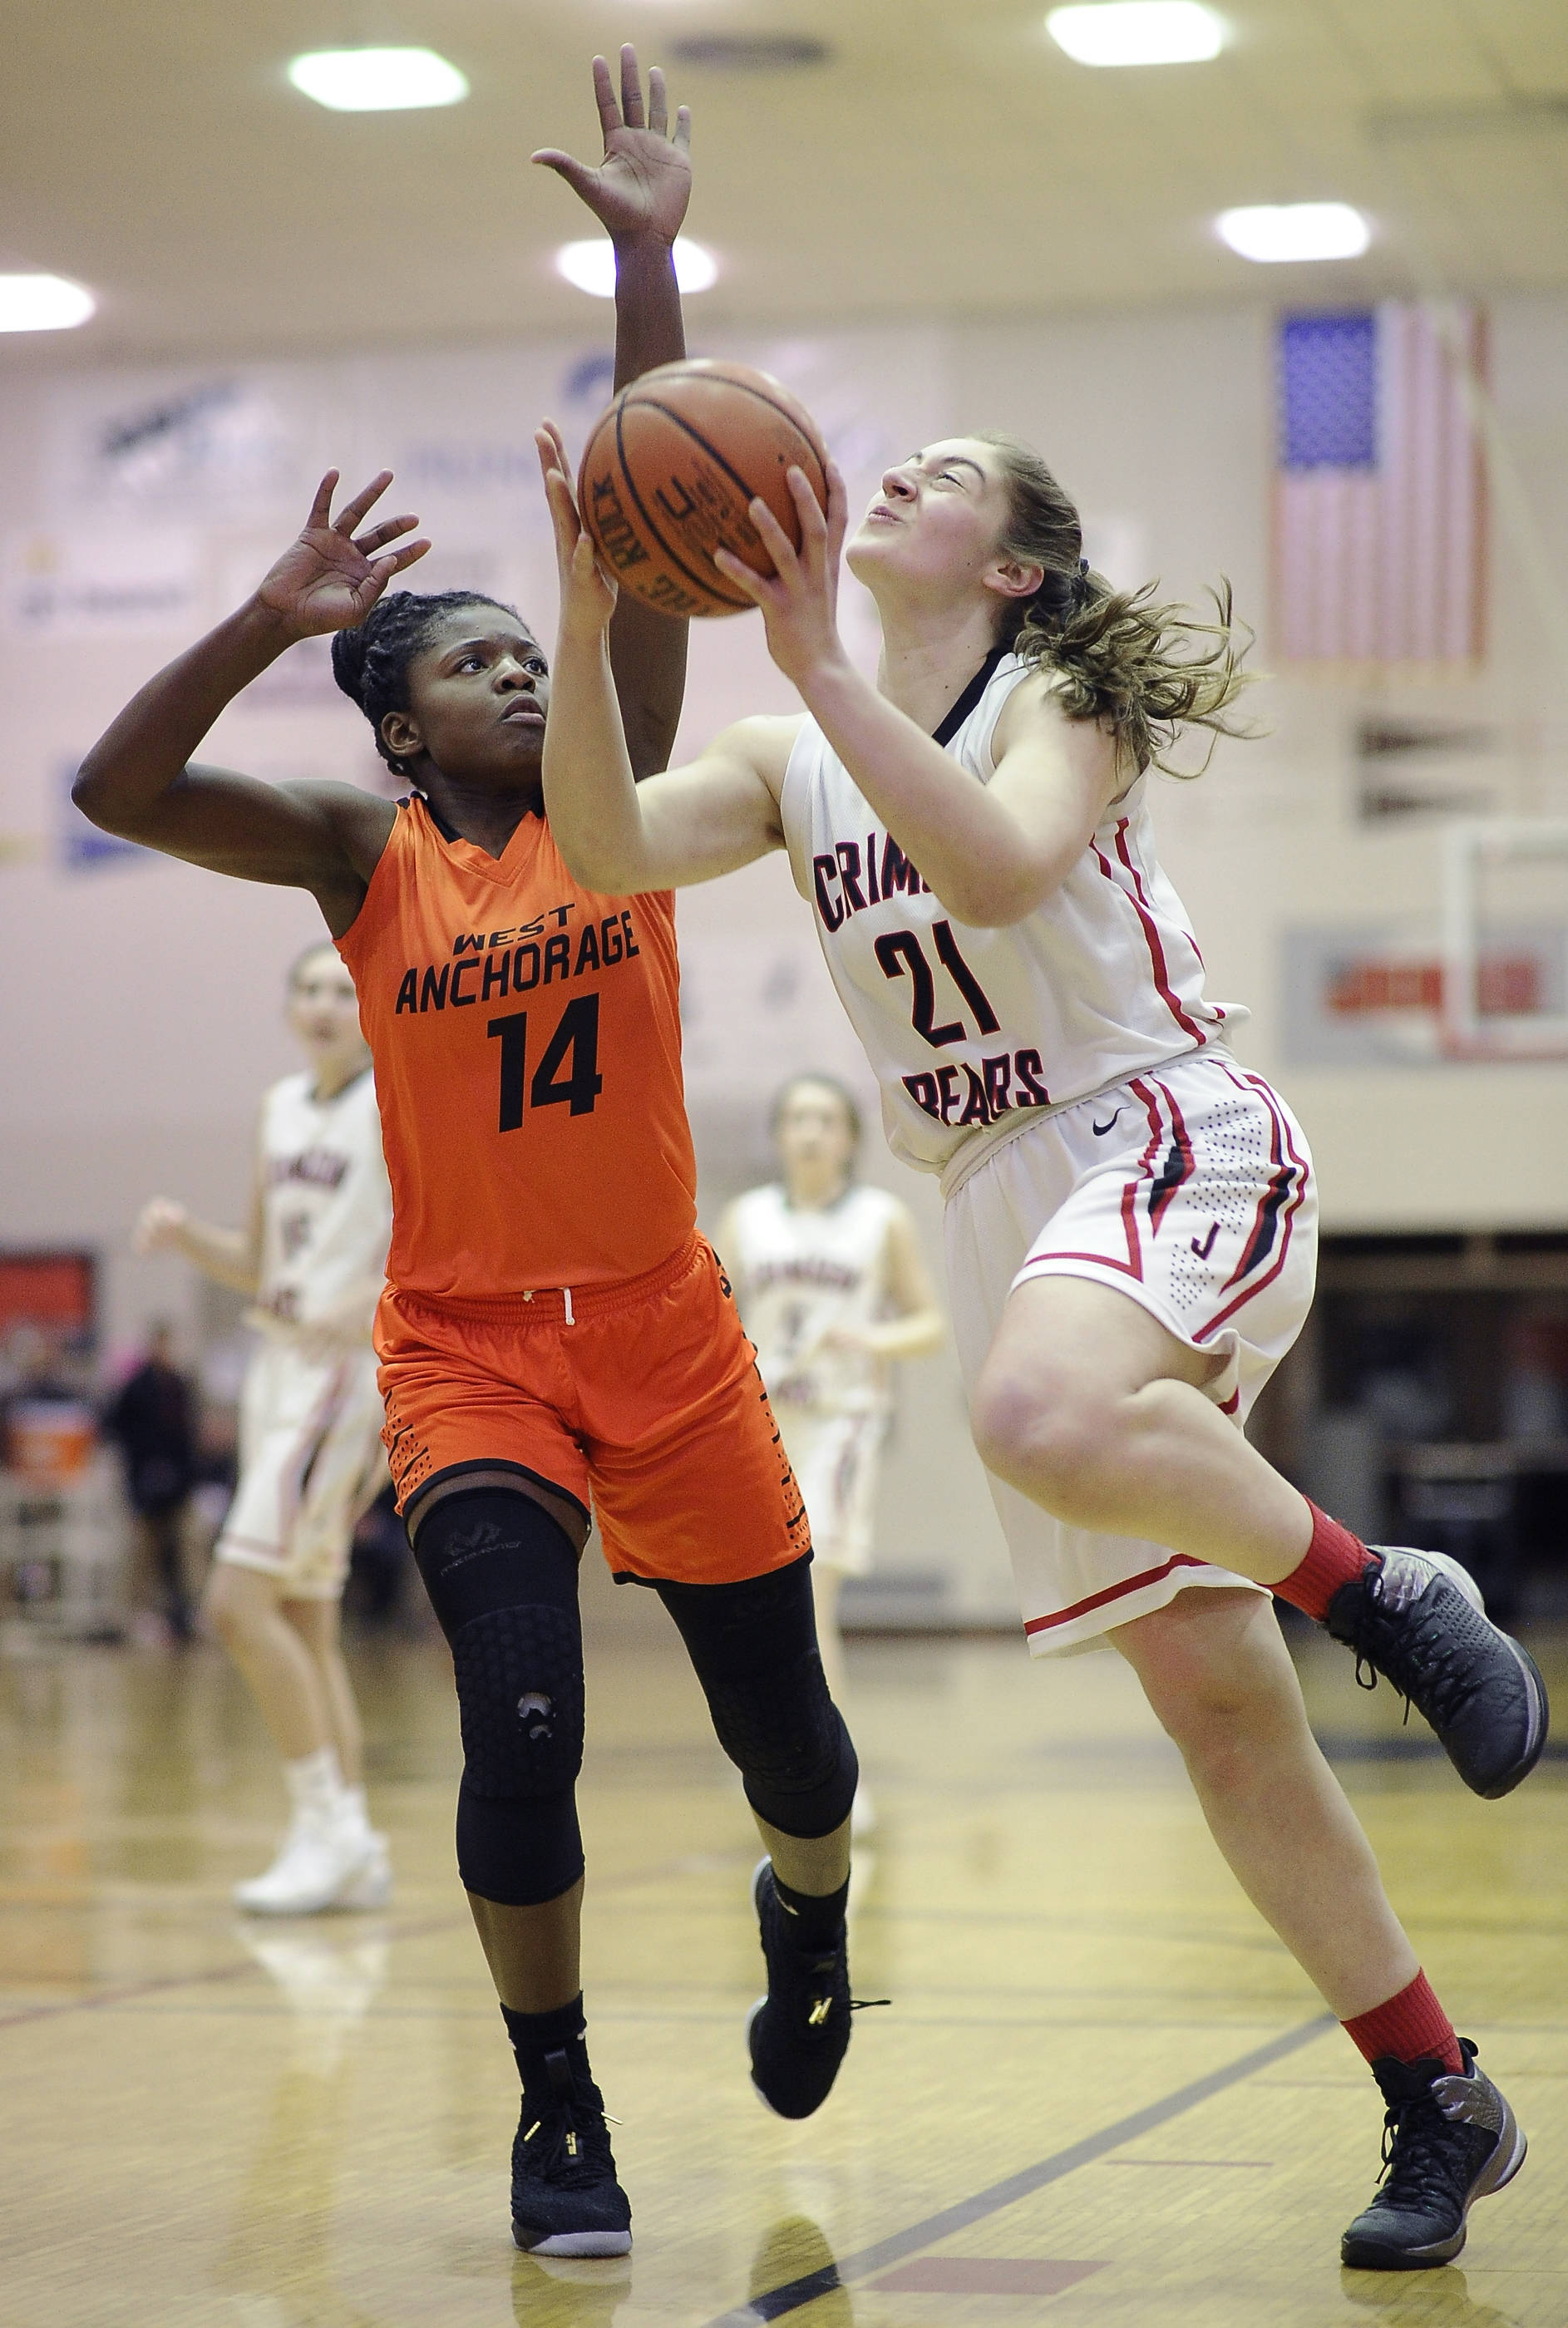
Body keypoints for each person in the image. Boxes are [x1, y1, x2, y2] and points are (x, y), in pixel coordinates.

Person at [534, 423, 1549, 2271]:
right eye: (899, 458)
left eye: (948, 470)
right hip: (1002, 1193)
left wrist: (814, 662)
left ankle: (1384, 1589)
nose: (903, 473)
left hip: (1160, 1124)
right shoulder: (785, 758)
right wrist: (590, 598)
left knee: (1030, 1406)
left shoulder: (1058, 686)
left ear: (1012, 564)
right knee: (1220, 1714)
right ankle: (1436, 2093)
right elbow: (598, 849)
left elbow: (996, 870)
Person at [72, 52, 866, 2263]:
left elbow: (648, 517)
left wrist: (640, 256)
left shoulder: (613, 788)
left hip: (667, 1336)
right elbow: (121, 792)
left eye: (538, 653)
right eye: (481, 664)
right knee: (516, 1722)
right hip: (468, 1361)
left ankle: (806, 1918)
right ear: (401, 718)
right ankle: (559, 2104)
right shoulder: (357, 858)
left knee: (791, 1755)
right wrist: (258, 616)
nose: (530, 672)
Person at [134, 944, 393, 1913]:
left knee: (234, 1605)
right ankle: (353, 1841)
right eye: (312, 989)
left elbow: (445, 1238)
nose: (327, 1003)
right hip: (275, 1370)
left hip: (345, 1378)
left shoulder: (397, 1098)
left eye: (344, 988)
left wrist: (370, 1299)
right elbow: (257, 1256)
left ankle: (322, 1829)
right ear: (289, 1005)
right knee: (304, 1621)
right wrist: (184, 1233)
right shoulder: (277, 1108)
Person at [719, 1073, 942, 1831]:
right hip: (762, 1424)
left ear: (849, 1138)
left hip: (843, 1422)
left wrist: (868, 1337)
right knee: (766, 1610)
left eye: (824, 1119)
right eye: (796, 1117)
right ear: (779, 1136)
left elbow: (930, 1324)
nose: (810, 1131)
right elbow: (713, 1323)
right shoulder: (746, 1218)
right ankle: (790, 1761)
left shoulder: (880, 1220)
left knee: (808, 1600)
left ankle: (833, 1778)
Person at [102, 1321, 198, 1640]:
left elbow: (188, 1437)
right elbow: (115, 1427)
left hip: (178, 1484)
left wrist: (184, 1477)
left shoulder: (180, 1385)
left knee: (184, 1549)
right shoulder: (136, 1387)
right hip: (143, 1484)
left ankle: (185, 1613)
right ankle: (132, 1617)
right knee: (141, 1551)